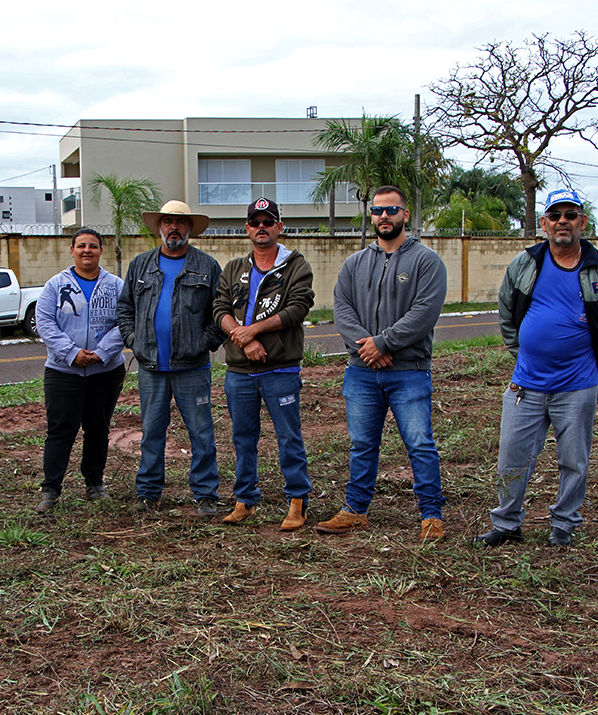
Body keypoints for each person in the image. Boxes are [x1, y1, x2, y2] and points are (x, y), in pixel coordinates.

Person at [475, 189, 598, 548]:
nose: (563, 221)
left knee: (574, 460)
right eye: (555, 215)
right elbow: (507, 313)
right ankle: (507, 523)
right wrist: (523, 351)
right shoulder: (525, 264)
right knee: (512, 457)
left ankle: (564, 525)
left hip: (578, 385)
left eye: (570, 215)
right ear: (544, 223)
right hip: (526, 385)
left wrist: (586, 352)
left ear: (583, 222)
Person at [315, 185, 448, 542]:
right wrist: (367, 348)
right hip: (361, 373)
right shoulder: (354, 264)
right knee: (362, 445)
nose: (384, 216)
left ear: (406, 215)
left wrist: (383, 343)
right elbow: (342, 309)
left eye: (391, 210)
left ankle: (431, 516)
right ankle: (356, 510)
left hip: (408, 373)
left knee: (420, 444)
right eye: (377, 211)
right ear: (370, 215)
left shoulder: (426, 261)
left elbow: (424, 313)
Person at [117, 200, 225, 516]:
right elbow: (125, 309)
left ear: (189, 228)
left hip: (193, 368)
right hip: (151, 367)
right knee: (152, 432)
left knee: (201, 432)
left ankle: (206, 495)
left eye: (180, 222)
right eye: (167, 222)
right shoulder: (140, 265)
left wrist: (204, 342)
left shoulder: (207, 267)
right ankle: (148, 494)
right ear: (159, 227)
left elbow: (220, 312)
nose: (173, 228)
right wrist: (134, 341)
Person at [213, 198, 315, 530]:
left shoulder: (296, 266)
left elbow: (298, 308)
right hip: (239, 372)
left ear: (279, 227)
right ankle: (245, 500)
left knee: (289, 437)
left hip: (280, 370)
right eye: (255, 222)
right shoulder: (233, 269)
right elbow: (219, 309)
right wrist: (243, 338)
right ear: (247, 228)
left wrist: (253, 330)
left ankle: (297, 501)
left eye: (268, 221)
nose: (261, 227)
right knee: (243, 437)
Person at [34, 228, 126, 513]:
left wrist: (100, 353)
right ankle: (50, 490)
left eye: (93, 246)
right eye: (82, 246)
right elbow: (45, 322)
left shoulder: (116, 286)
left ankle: (94, 484)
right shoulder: (55, 285)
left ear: (101, 251)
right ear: (72, 250)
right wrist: (72, 354)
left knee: (98, 429)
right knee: (61, 430)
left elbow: (125, 321)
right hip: (64, 373)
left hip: (105, 371)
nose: (87, 251)